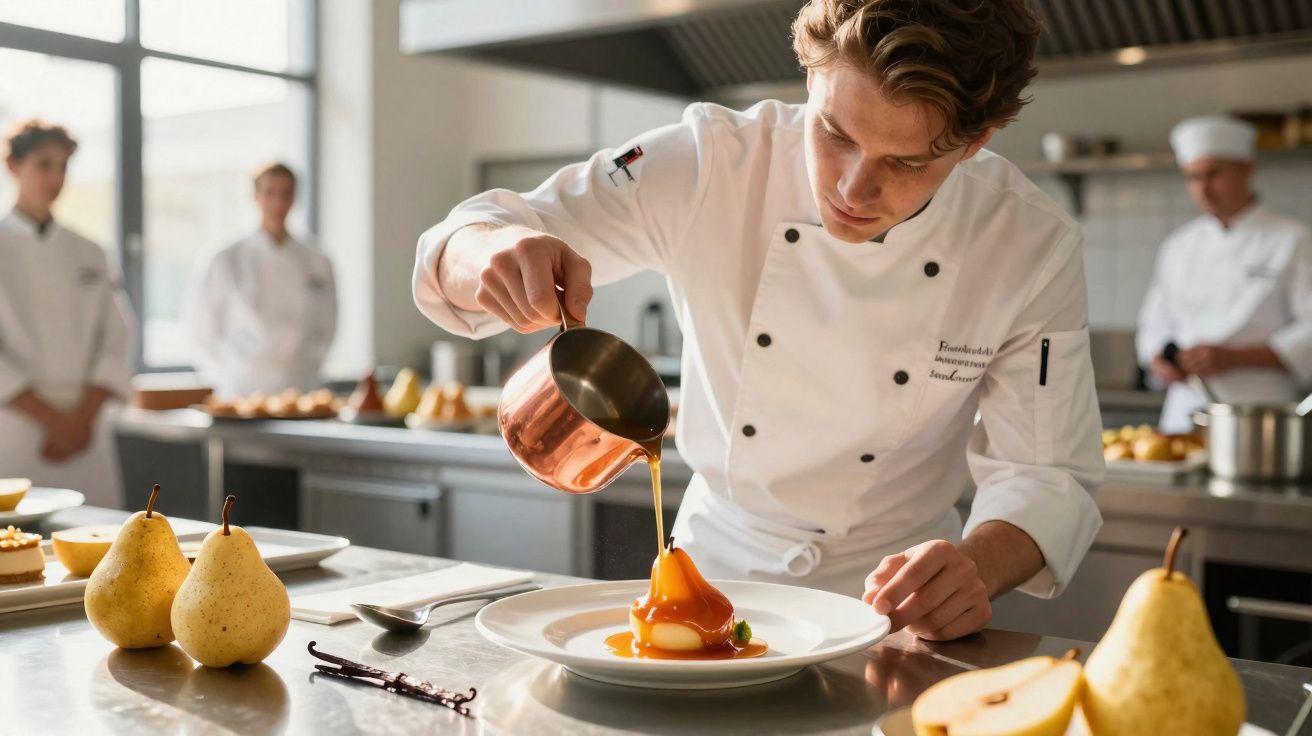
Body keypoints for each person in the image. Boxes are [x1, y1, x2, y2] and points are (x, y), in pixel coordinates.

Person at [413, 0, 1104, 641]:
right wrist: (492, 254)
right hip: (708, 581)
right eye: (834, 133)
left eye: (906, 162)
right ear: (810, 74)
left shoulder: (1026, 244)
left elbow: (1046, 474)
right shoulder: (711, 161)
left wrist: (973, 570)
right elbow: (475, 231)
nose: (852, 188)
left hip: (893, 613)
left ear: (975, 141)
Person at [1137, 116, 1312, 433]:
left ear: (1247, 168)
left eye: (1213, 174)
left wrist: (1236, 357)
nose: (1203, 188)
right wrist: (1159, 360)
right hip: (1185, 411)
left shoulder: (1294, 240)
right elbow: (1153, 327)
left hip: (1261, 416)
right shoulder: (1178, 246)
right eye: (1192, 177)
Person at [0, 120, 134, 508]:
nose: (56, 177)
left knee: (103, 547)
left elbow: (116, 337)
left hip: (86, 430)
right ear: (13, 166)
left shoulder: (90, 251)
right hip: (17, 428)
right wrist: (52, 421)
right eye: (44, 164)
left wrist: (80, 420)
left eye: (63, 166)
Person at [186, 163, 337, 398]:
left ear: (295, 198)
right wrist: (227, 376)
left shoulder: (317, 261)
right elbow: (202, 329)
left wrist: (308, 366)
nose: (278, 203)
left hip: (301, 388)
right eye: (269, 193)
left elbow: (328, 326)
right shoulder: (225, 259)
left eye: (285, 193)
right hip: (241, 391)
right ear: (255, 196)